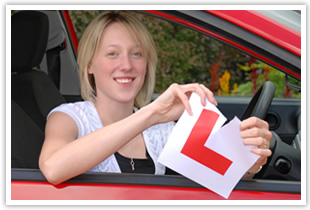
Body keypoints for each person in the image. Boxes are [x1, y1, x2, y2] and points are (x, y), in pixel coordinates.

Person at [39, 11, 272, 185]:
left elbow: (227, 171)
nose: (127, 65)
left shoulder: (162, 131)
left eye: (136, 54)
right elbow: (53, 168)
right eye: (113, 54)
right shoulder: (69, 118)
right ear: (89, 64)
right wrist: (150, 114)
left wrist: (251, 161)